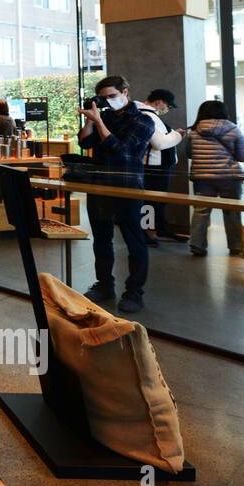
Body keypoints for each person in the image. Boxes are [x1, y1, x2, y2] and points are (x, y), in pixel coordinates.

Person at [78, 75, 157, 313]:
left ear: (125, 92)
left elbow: (121, 150)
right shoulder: (104, 116)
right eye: (103, 98)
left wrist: (100, 123)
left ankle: (134, 292)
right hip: (99, 186)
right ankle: (104, 284)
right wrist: (92, 120)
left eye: (112, 96)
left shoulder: (144, 120)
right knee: (101, 240)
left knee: (135, 242)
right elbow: (85, 143)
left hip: (127, 187)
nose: (108, 102)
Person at [184, 99, 244, 256]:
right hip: (229, 176)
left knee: (201, 211)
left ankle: (197, 245)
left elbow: (189, 154)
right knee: (232, 211)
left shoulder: (193, 132)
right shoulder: (233, 129)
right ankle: (236, 245)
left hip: (202, 176)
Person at [137, 88, 185, 246]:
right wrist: (177, 135)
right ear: (159, 102)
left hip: (158, 166)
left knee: (157, 201)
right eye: (168, 106)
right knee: (150, 202)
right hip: (153, 167)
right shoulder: (147, 115)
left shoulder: (149, 115)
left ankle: (159, 229)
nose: (167, 109)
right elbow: (159, 143)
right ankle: (147, 234)